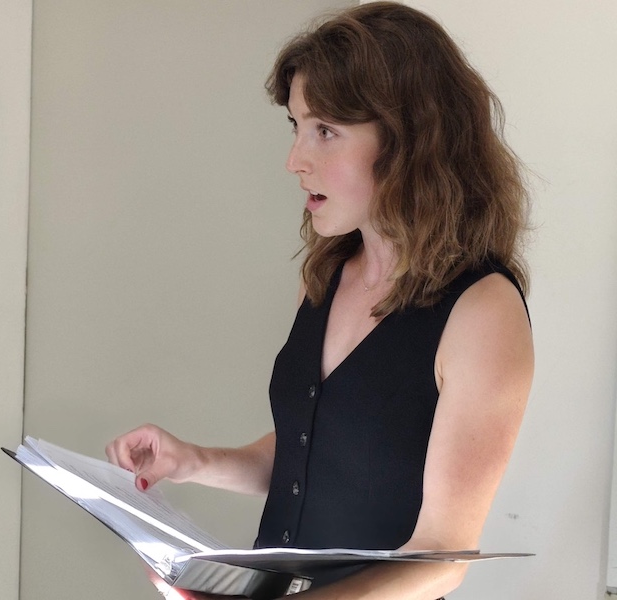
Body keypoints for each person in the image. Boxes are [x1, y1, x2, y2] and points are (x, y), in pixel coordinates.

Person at [106, 2, 534, 599]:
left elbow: (441, 557)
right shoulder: (328, 274)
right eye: (296, 126)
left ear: (410, 140)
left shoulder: (483, 311)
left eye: (325, 131)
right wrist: (193, 461)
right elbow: (313, 454)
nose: (295, 161)